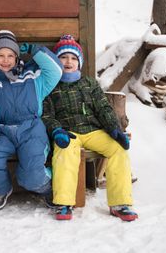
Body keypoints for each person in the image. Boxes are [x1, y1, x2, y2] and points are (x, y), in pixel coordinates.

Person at [42, 34, 138, 221]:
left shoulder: (89, 84)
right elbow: (46, 114)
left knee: (117, 148)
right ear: (56, 61)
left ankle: (121, 203)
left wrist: (115, 129)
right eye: (63, 57)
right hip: (67, 132)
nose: (68, 62)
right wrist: (56, 130)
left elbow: (103, 108)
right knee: (65, 151)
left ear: (79, 62)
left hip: (93, 131)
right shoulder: (50, 86)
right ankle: (63, 202)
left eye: (73, 58)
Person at [0, 30, 63, 211]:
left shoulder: (33, 76)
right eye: (1, 55)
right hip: (3, 132)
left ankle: (45, 186)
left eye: (10, 55)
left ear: (17, 57)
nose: (6, 60)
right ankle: (1, 190)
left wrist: (36, 51)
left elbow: (56, 70)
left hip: (31, 130)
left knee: (31, 177)